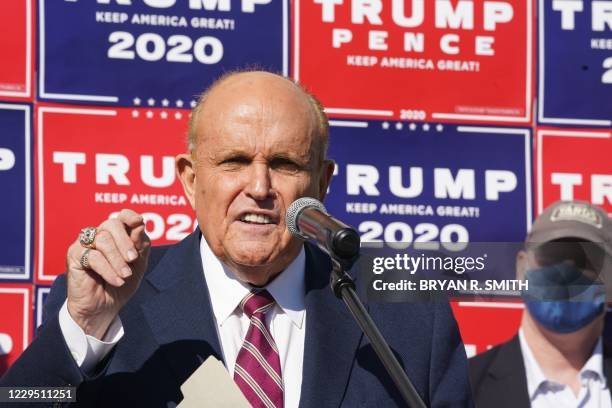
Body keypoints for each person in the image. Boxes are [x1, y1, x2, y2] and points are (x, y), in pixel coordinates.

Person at [1, 70, 473, 407]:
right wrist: (83, 327)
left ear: (322, 183)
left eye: (286, 164)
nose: (261, 188)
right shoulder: (114, 301)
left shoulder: (408, 319)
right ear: (189, 179)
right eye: (234, 162)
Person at [469, 200, 612, 408]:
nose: (565, 273)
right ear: (521, 269)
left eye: (586, 261)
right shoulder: (465, 387)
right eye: (552, 256)